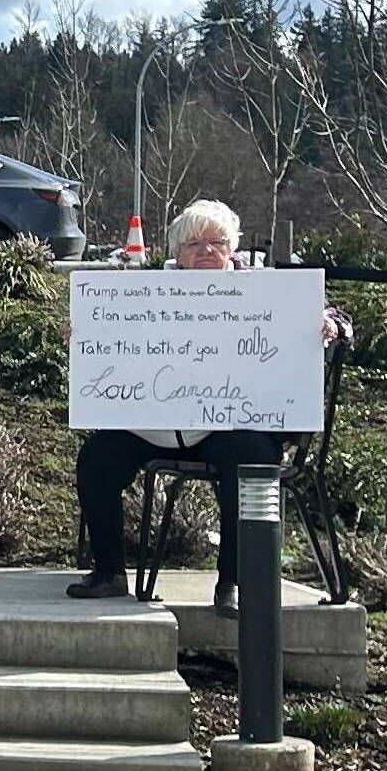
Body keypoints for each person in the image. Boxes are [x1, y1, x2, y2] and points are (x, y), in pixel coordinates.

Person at [65, 196, 321, 613]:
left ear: (232, 249)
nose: (205, 251)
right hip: (153, 426)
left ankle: (233, 582)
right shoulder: (142, 293)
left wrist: (327, 323)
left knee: (251, 458)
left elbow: (336, 318)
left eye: (216, 242)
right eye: (193, 244)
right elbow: (104, 334)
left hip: (225, 427)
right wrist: (86, 335)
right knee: (97, 458)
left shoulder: (264, 289)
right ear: (176, 253)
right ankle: (108, 571)